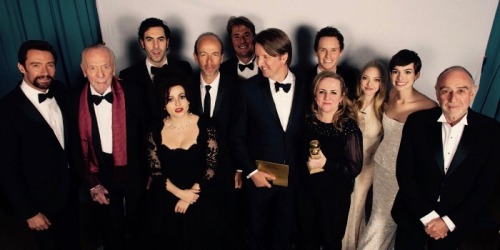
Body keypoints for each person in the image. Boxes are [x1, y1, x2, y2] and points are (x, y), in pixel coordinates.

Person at [391, 66, 500, 250]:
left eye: (461, 90)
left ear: (472, 93)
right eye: (445, 90)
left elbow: (485, 187)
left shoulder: (492, 132)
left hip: (457, 227)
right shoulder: (417, 122)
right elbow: (405, 174)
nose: (452, 98)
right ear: (436, 92)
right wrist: (428, 217)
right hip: (413, 218)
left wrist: (447, 223)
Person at [231, 28, 307, 250]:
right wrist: (251, 172)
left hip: (294, 181)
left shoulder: (307, 86)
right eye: (258, 56)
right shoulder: (248, 89)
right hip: (259, 180)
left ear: (284, 56)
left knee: (284, 237)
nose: (259, 62)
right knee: (256, 238)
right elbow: (236, 136)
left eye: (266, 57)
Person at [0, 40, 80, 249]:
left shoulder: (60, 90)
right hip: (39, 202)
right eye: (36, 65)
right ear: (21, 67)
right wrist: (29, 212)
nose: (45, 72)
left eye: (50, 64)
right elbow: (7, 170)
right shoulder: (6, 110)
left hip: (69, 192)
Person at [71, 44, 150, 249]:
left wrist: (152, 172)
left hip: (134, 166)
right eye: (93, 68)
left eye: (105, 67)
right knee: (109, 225)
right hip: (99, 169)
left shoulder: (135, 92)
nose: (100, 74)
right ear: (83, 70)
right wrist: (91, 182)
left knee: (140, 220)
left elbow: (149, 135)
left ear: (113, 67)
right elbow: (73, 147)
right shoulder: (73, 100)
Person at [357, 49, 437, 250]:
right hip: (380, 164)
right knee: (376, 214)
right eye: (396, 71)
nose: (401, 78)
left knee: (383, 219)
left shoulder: (428, 107)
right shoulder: (389, 94)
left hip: (402, 172)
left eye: (408, 72)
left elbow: (428, 149)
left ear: (417, 74)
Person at [146, 75, 224, 249]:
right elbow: (156, 172)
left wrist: (189, 197)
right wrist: (181, 194)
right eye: (170, 99)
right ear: (163, 104)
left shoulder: (206, 125)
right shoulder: (154, 130)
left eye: (182, 97)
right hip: (168, 200)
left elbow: (211, 167)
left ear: (189, 99)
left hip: (201, 198)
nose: (178, 104)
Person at [298, 71, 363, 249]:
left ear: (342, 97)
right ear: (315, 94)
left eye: (333, 92)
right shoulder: (307, 120)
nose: (327, 97)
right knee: (305, 242)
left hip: (334, 198)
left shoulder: (349, 128)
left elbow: (354, 167)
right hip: (306, 195)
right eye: (322, 91)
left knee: (330, 243)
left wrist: (325, 163)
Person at [190, 32, 239, 246]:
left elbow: (241, 131)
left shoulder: (238, 87)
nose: (209, 61)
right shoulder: (185, 88)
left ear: (222, 56)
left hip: (228, 167)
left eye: (215, 54)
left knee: (228, 221)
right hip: (194, 167)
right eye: (203, 54)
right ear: (195, 57)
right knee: (199, 222)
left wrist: (239, 168)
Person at [342, 60, 388, 249]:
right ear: (360, 80)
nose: (369, 84)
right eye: (365, 78)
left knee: (356, 209)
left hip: (367, 168)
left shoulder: (384, 109)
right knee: (342, 206)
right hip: (344, 166)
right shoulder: (349, 104)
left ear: (382, 84)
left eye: (376, 80)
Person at [119, 17, 192, 120]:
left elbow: (191, 106)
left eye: (160, 39)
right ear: (142, 43)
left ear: (167, 42)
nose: (156, 46)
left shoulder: (184, 68)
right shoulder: (127, 76)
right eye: (150, 40)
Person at [305, 26, 357, 100]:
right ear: (316, 52)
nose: (328, 56)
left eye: (333, 50)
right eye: (323, 50)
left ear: (340, 52)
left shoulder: (351, 78)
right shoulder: (302, 79)